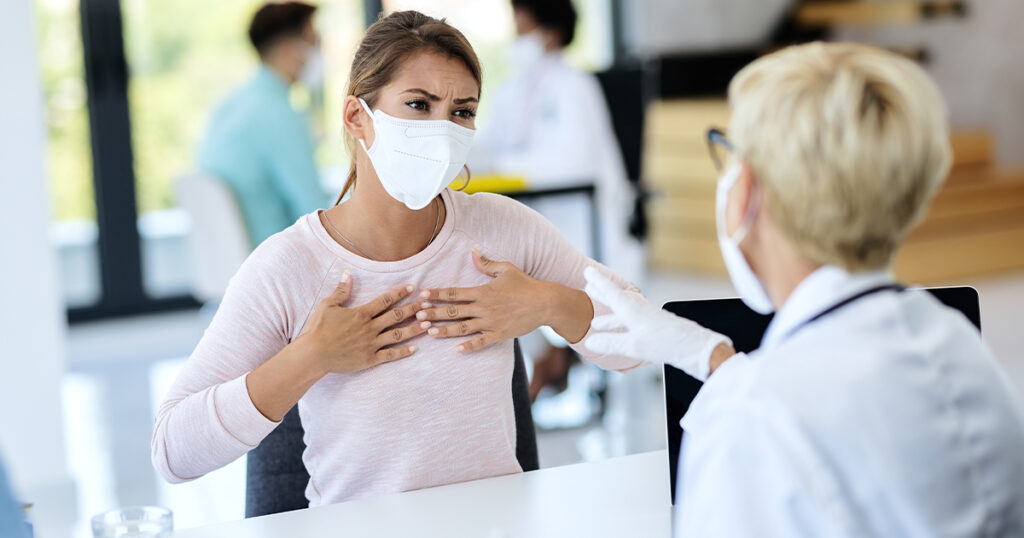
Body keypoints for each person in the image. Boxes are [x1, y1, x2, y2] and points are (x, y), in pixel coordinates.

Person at [152, 11, 642, 507]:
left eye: (462, 111)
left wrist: (548, 305)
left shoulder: (503, 228)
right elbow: (172, 451)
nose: (443, 130)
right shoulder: (290, 266)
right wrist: (311, 357)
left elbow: (639, 339)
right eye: (418, 104)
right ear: (356, 117)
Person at [583, 42, 1024, 536]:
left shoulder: (751, 427)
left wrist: (735, 394)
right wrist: (708, 357)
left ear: (745, 189)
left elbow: (787, 425)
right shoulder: (959, 346)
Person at [470, 0, 643, 404]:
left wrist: (508, 166)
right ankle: (547, 358)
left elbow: (572, 161)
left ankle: (557, 360)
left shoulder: (574, 86)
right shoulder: (513, 89)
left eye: (522, 28)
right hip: (536, 211)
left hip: (580, 221)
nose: (516, 39)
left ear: (549, 33)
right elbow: (488, 148)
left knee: (528, 269)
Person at [196, 1, 328, 248]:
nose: (321, 51)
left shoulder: (228, 106)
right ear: (291, 49)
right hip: (274, 265)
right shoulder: (279, 114)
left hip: (238, 266)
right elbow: (315, 211)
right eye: (314, 41)